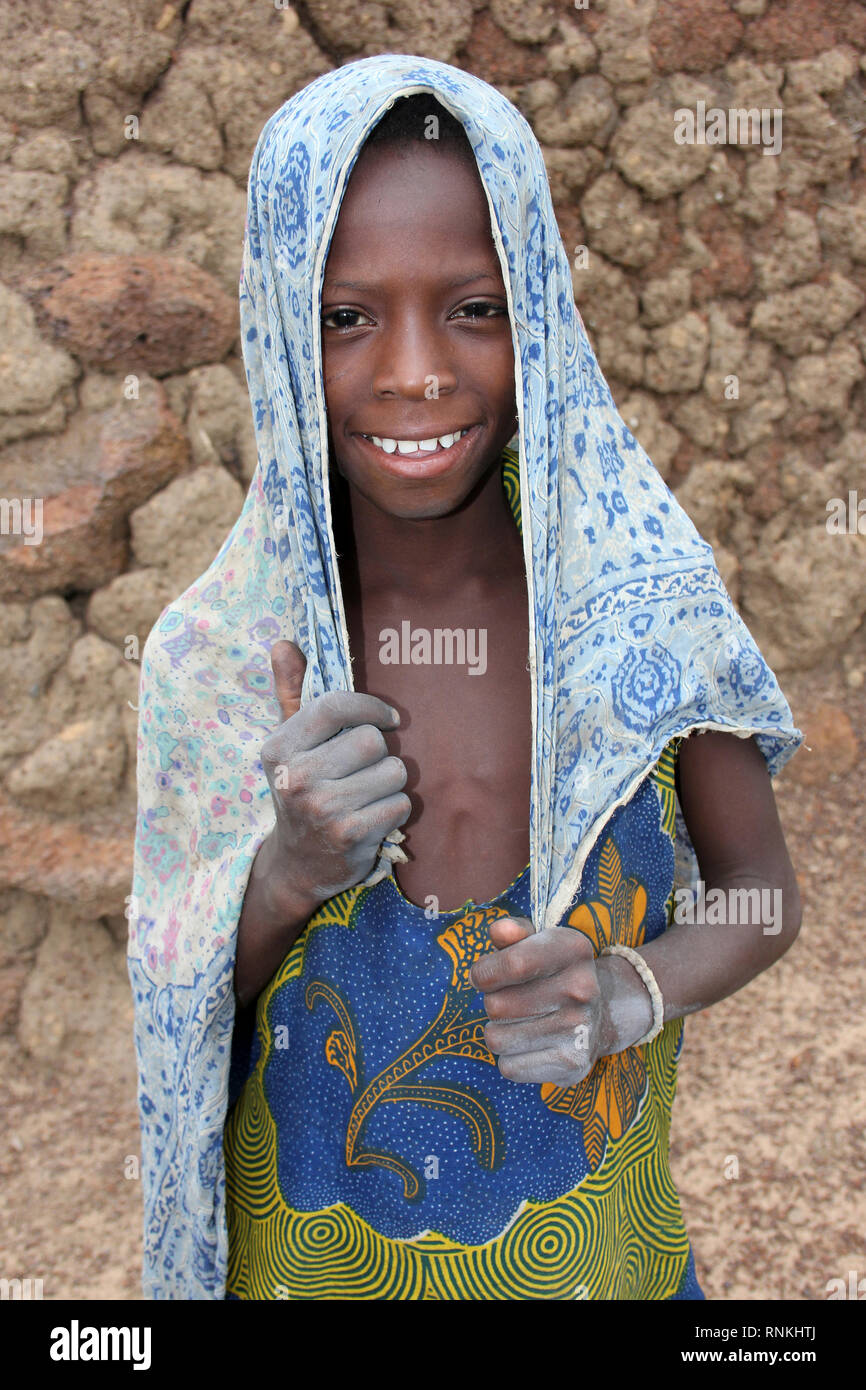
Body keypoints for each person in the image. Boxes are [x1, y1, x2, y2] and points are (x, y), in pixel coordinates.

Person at [128, 55, 802, 1301]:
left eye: (474, 306)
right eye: (346, 316)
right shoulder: (214, 657)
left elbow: (760, 892)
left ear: (539, 308)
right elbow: (173, 1016)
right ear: (277, 326)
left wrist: (627, 989)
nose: (415, 371)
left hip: (600, 1265)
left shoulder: (637, 609)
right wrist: (281, 875)